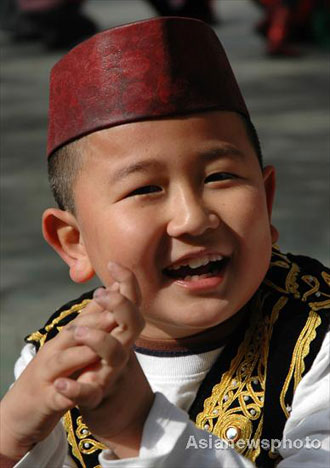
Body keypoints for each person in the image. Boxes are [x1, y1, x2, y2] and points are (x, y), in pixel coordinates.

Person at [0, 16, 329, 468]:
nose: (193, 218)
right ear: (74, 242)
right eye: (145, 189)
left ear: (267, 203)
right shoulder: (61, 355)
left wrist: (138, 429)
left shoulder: (316, 339)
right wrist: (11, 436)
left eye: (220, 176)